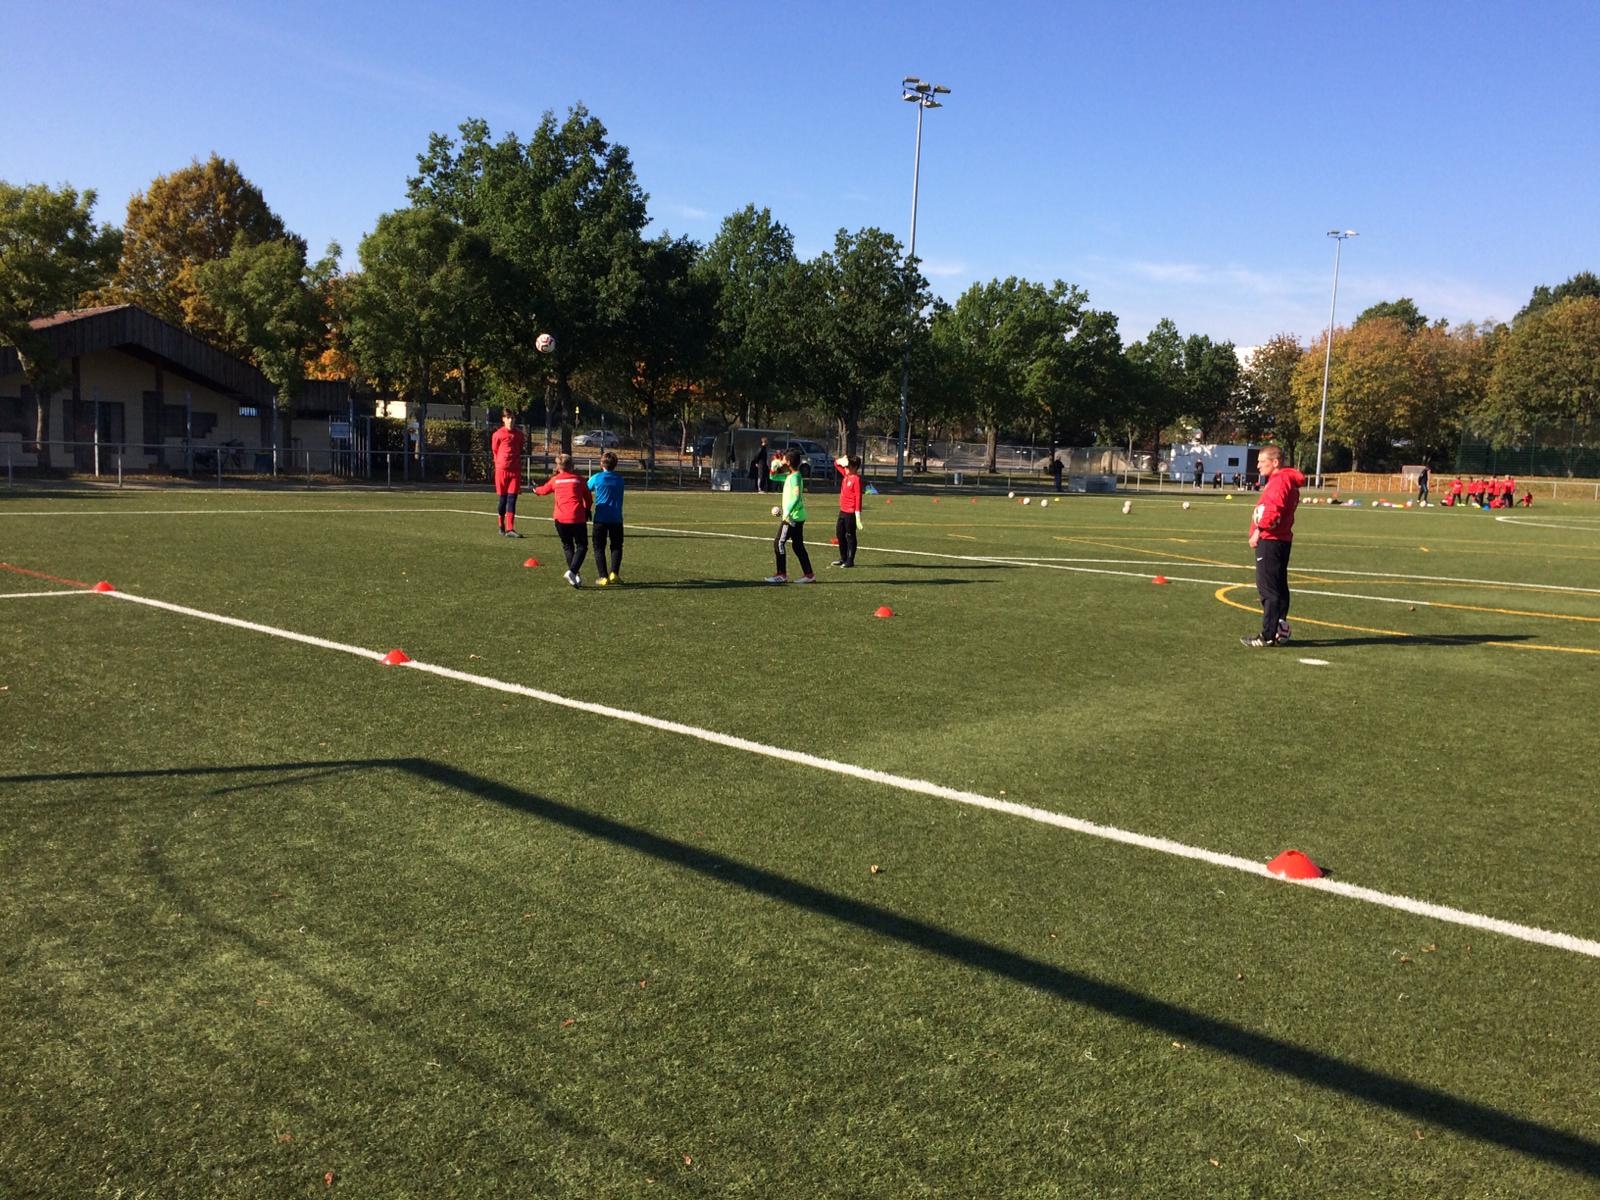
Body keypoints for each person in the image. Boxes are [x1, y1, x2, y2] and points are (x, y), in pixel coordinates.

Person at [1241, 445, 1305, 648]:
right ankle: (1279, 627)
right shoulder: (1283, 480)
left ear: (1275, 462)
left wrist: (1259, 530)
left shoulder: (1279, 481)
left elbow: (1273, 511)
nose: (1258, 465)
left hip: (1271, 540)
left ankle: (1267, 634)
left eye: (1262, 461)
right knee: (1278, 585)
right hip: (1280, 539)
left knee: (1268, 588)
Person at [534, 453, 593, 587]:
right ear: (572, 466)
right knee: (582, 546)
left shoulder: (555, 480)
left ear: (558, 467)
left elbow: (543, 490)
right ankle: (573, 572)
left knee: (567, 545)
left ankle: (575, 575)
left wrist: (535, 489)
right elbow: (588, 498)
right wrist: (587, 509)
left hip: (560, 518)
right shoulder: (579, 480)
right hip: (577, 517)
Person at [766, 449, 815, 584]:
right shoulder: (790, 475)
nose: (781, 460)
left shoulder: (795, 477)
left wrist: (787, 513)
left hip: (792, 517)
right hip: (795, 516)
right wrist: (773, 467)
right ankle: (809, 575)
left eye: (783, 459)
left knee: (779, 542)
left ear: (788, 462)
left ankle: (781, 574)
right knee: (797, 546)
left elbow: (796, 497)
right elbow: (773, 477)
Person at [588, 450, 625, 585]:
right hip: (616, 518)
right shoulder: (620, 479)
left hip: (601, 518)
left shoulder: (597, 478)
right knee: (616, 546)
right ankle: (614, 572)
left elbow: (586, 488)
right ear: (615, 464)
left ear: (601, 463)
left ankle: (603, 576)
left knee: (598, 547)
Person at [491, 410, 527, 536]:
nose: (510, 420)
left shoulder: (519, 435)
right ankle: (501, 525)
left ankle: (510, 529)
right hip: (502, 471)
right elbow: (495, 450)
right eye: (508, 417)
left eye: (512, 418)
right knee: (503, 499)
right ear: (503, 419)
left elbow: (520, 449)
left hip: (515, 471)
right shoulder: (497, 434)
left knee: (512, 499)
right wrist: (499, 464)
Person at [831, 454, 863, 567]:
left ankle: (850, 560)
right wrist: (842, 460)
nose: (845, 468)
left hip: (851, 512)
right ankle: (843, 558)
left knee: (850, 535)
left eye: (848, 466)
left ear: (854, 467)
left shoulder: (856, 479)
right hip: (843, 510)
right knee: (839, 533)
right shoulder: (846, 475)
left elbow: (858, 497)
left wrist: (857, 515)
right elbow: (836, 464)